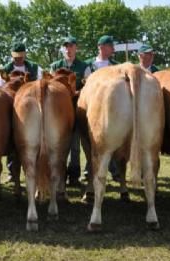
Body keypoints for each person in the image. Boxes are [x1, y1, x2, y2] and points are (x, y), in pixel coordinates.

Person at [50, 36, 91, 187]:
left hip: (76, 109)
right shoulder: (54, 66)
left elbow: (88, 87)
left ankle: (74, 176)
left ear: (76, 48)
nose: (68, 49)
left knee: (75, 145)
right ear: (63, 49)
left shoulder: (84, 66)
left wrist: (77, 92)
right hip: (58, 112)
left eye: (71, 46)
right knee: (58, 145)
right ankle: (59, 174)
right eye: (66, 46)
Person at [1, 42, 43, 183]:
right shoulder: (5, 69)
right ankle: (12, 172)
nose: (18, 59)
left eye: (20, 56)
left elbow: (40, 85)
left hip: (29, 108)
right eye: (15, 56)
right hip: (9, 108)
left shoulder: (35, 68)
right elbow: (1, 88)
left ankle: (34, 170)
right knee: (10, 139)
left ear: (25, 54)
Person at [85, 35, 121, 181]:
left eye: (112, 46)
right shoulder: (89, 65)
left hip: (113, 108)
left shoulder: (116, 66)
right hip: (93, 108)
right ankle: (90, 169)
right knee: (92, 141)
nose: (113, 49)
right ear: (101, 47)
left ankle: (115, 170)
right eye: (110, 46)